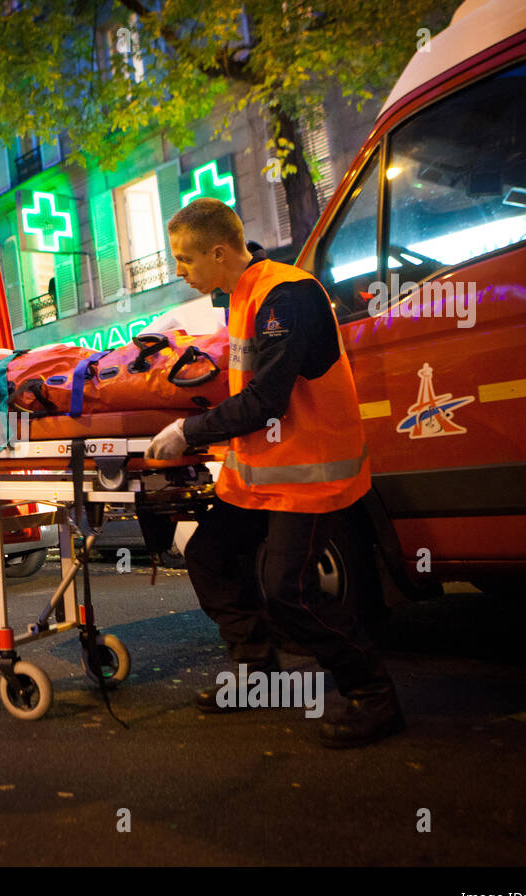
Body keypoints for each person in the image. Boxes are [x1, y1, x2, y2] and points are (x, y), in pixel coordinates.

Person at [145, 198, 404, 748]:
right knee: (208, 555)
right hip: (265, 473)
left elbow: (266, 398)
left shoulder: (287, 295)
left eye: (185, 260)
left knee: (290, 592)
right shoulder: (244, 295)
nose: (179, 272)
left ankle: (373, 694)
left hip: (308, 475)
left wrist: (187, 433)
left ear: (219, 252)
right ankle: (257, 675)